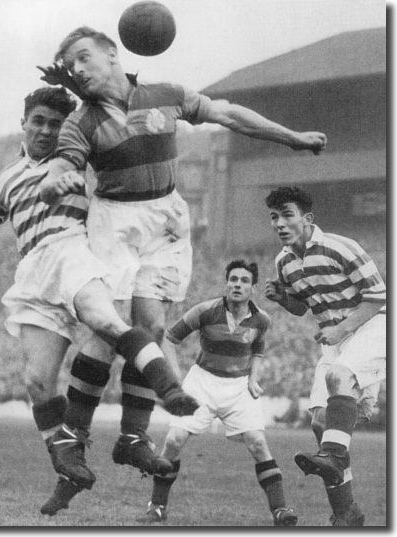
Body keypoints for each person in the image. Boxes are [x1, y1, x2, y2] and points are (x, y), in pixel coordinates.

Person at [37, 25, 327, 511]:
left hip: (168, 217)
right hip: (116, 219)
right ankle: (75, 433)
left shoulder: (165, 95)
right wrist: (57, 181)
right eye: (72, 63)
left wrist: (291, 138)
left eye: (85, 56)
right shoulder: (80, 123)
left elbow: (227, 113)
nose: (79, 68)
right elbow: (60, 167)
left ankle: (131, 437)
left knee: (150, 327)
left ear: (112, 53)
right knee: (107, 329)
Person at [0, 86, 198, 513]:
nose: (47, 131)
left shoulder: (76, 158)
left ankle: (168, 388)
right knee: (37, 380)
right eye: (39, 122)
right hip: (32, 269)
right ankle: (67, 459)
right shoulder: (7, 176)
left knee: (105, 322)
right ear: (24, 124)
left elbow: (108, 135)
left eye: (55, 124)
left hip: (72, 250)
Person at [137, 260, 298, 526]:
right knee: (174, 440)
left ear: (253, 288)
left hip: (238, 386)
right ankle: (156, 507)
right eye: (233, 279)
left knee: (258, 443)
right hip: (202, 382)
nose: (237, 284)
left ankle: (280, 511)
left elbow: (257, 350)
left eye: (244, 280)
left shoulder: (261, 320)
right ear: (226, 283)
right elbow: (169, 337)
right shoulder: (205, 311)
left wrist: (254, 378)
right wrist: (175, 378)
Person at [264, 186, 386, 526]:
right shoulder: (283, 261)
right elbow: (302, 307)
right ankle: (347, 511)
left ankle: (333, 457)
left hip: (373, 326)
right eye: (274, 217)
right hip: (334, 340)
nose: (280, 224)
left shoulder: (340, 246)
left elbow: (377, 296)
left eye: (287, 215)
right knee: (319, 421)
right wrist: (282, 299)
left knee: (338, 378)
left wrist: (343, 329)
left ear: (307, 218)